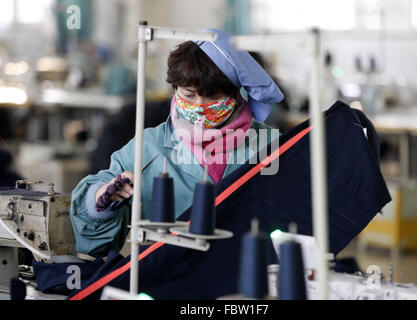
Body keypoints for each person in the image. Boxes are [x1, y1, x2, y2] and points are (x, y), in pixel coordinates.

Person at [69, 29, 284, 258]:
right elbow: (92, 239)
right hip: (172, 276)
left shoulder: (269, 146)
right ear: (175, 89)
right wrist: (99, 203)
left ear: (236, 93)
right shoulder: (148, 147)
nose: (200, 106)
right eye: (189, 95)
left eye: (212, 97)